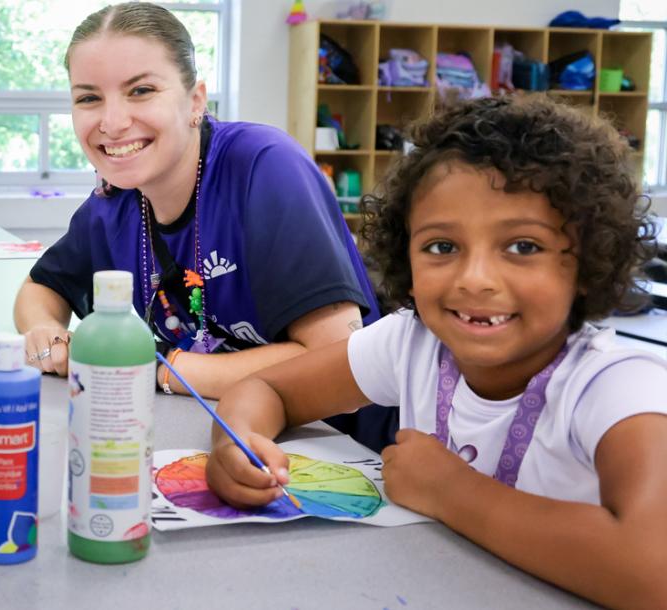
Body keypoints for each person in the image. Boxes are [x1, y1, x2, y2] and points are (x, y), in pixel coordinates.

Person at [206, 95, 667, 608]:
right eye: (442, 247)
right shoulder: (414, 340)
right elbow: (268, 388)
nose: (475, 280)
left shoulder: (618, 385)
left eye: (523, 247)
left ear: (588, 262)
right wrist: (237, 442)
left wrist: (452, 492)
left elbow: (654, 570)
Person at [15, 2, 379, 407]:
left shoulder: (263, 167)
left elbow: (337, 359)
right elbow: (41, 287)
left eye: (141, 90)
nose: (113, 122)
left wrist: (165, 370)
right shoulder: (114, 203)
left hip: (340, 438)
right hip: (224, 421)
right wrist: (47, 334)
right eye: (88, 98)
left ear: (195, 101)